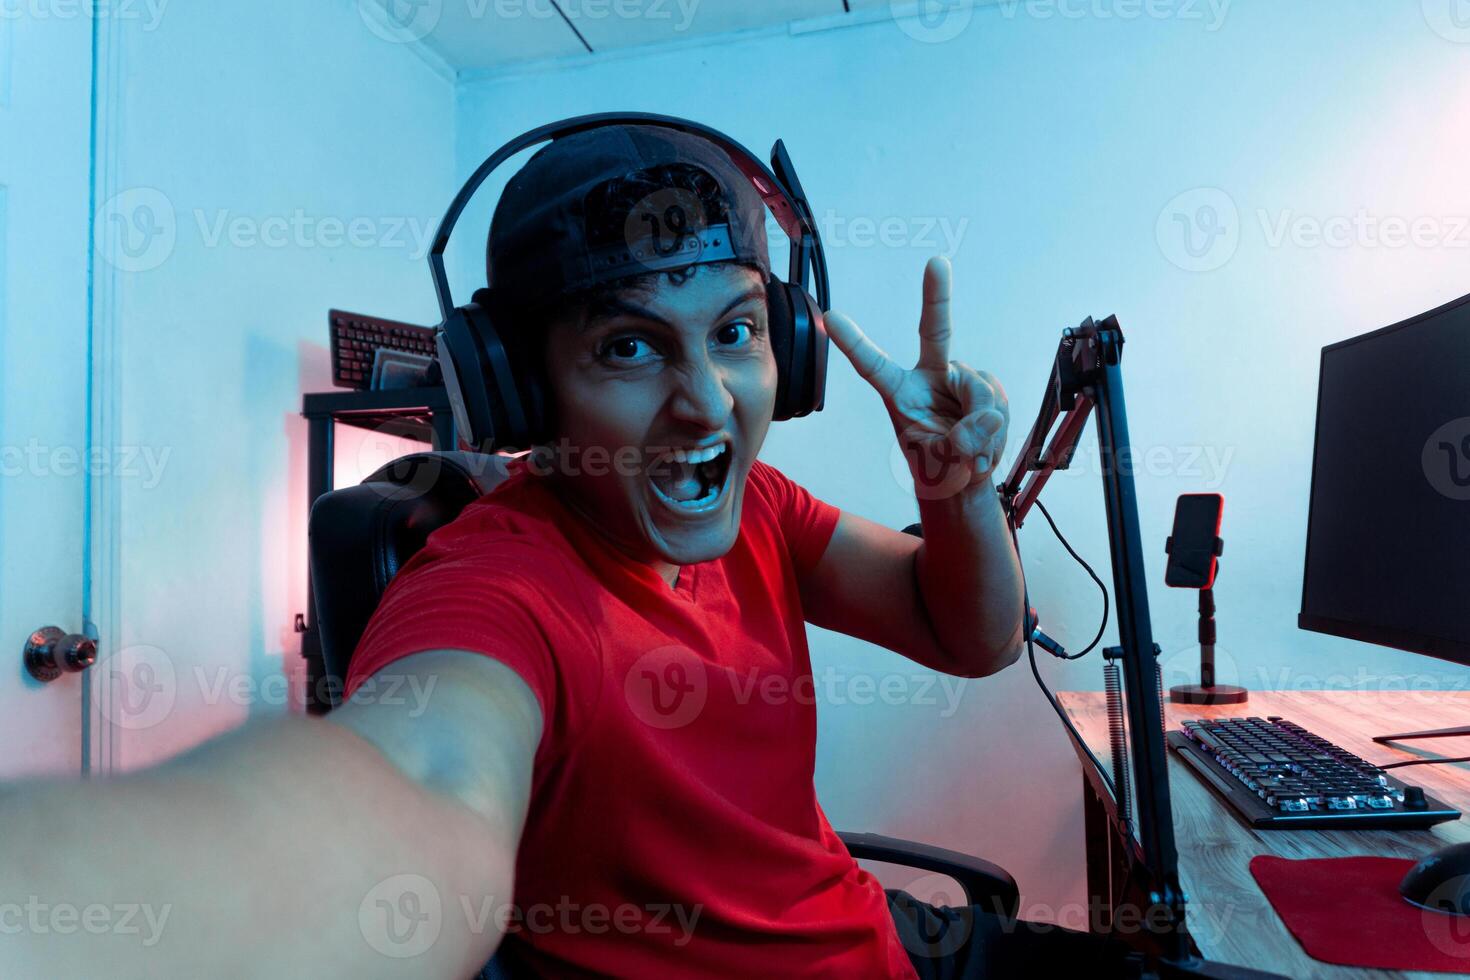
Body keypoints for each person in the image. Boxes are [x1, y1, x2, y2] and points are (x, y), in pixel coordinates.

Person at [0, 122, 1136, 978]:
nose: (706, 404)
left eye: (737, 333)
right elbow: (416, 780)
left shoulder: (767, 507)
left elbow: (972, 634)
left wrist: (956, 482)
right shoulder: (496, 589)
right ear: (523, 391)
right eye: (632, 346)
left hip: (869, 929)